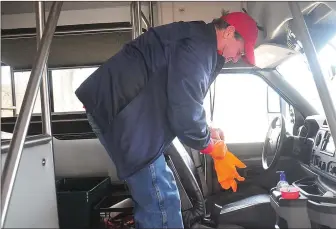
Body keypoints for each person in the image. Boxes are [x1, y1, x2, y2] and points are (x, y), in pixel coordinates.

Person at [75, 11, 258, 229]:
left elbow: (181, 98)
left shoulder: (198, 41)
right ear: (229, 32)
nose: (236, 58)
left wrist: (206, 131)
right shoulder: (198, 48)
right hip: (125, 114)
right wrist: (210, 146)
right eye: (240, 51)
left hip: (125, 112)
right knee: (163, 202)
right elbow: (185, 110)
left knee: (161, 198)